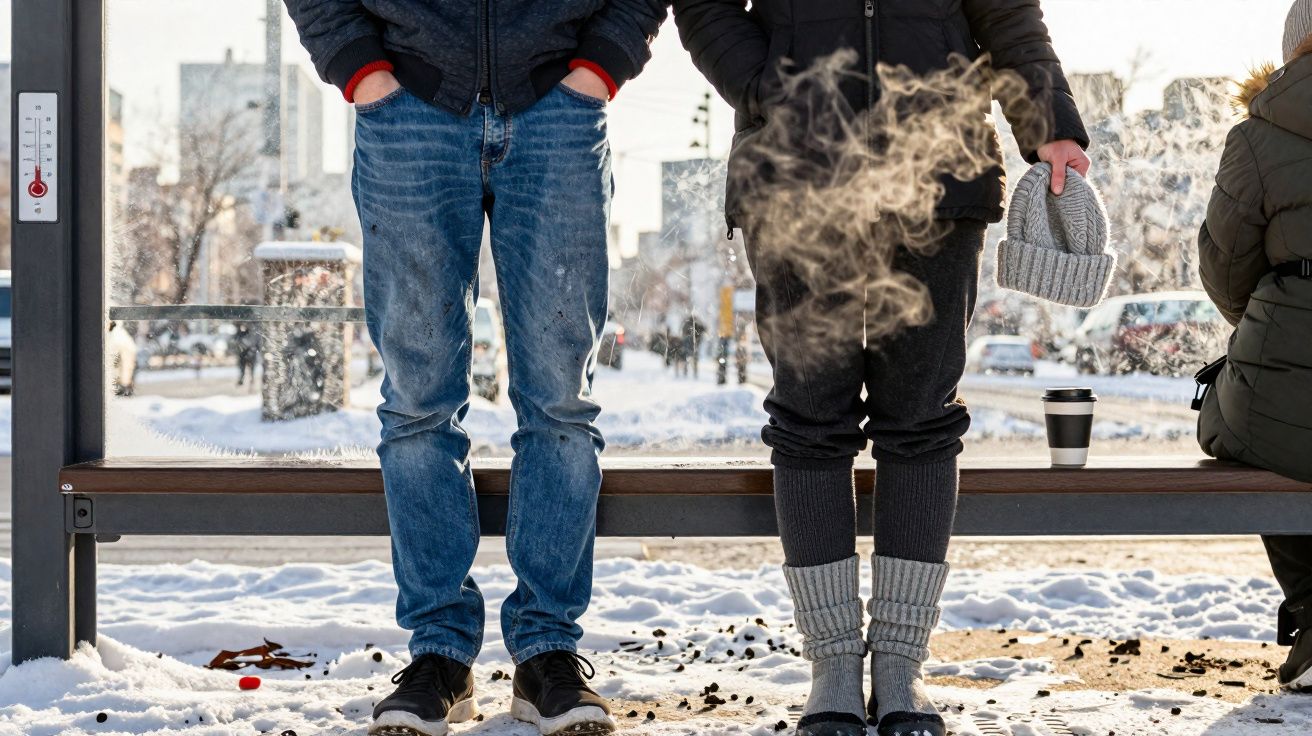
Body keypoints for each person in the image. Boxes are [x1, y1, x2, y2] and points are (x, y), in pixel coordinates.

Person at [671, 2, 1089, 735]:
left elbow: (1008, 11)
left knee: (923, 419)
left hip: (941, 171)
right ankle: (831, 666)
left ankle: (901, 667)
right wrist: (770, 84)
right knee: (809, 418)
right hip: (795, 173)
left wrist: (1049, 122)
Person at [284, 3, 667, 735]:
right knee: (418, 400)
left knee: (561, 399)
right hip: (406, 111)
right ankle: (439, 655)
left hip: (560, 107)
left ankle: (547, 651)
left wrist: (599, 66)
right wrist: (362, 71)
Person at [1196, 0, 1312, 694]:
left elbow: (1226, 272)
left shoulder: (1258, 135)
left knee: (1258, 432)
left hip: (1284, 382)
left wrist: (1276, 325)